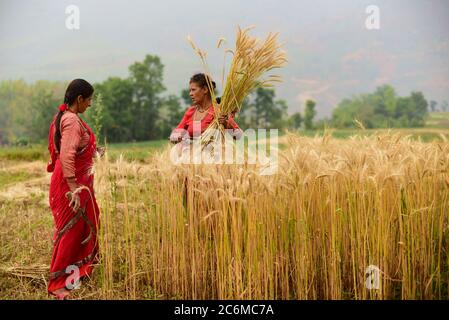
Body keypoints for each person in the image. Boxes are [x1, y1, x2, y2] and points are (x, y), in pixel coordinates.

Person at [46, 79, 102, 299]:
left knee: (82, 227)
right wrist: (74, 189)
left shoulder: (67, 117)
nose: (90, 104)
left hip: (76, 184)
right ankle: (58, 284)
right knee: (70, 232)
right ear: (79, 99)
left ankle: (74, 273)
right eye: (89, 100)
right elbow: (67, 155)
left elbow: (76, 149)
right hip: (71, 186)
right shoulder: (70, 121)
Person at [169, 73, 242, 144]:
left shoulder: (219, 111)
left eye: (193, 90)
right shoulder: (191, 111)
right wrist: (175, 137)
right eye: (190, 90)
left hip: (213, 154)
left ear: (205, 89)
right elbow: (176, 132)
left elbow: (239, 136)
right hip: (191, 154)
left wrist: (226, 124)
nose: (190, 94)